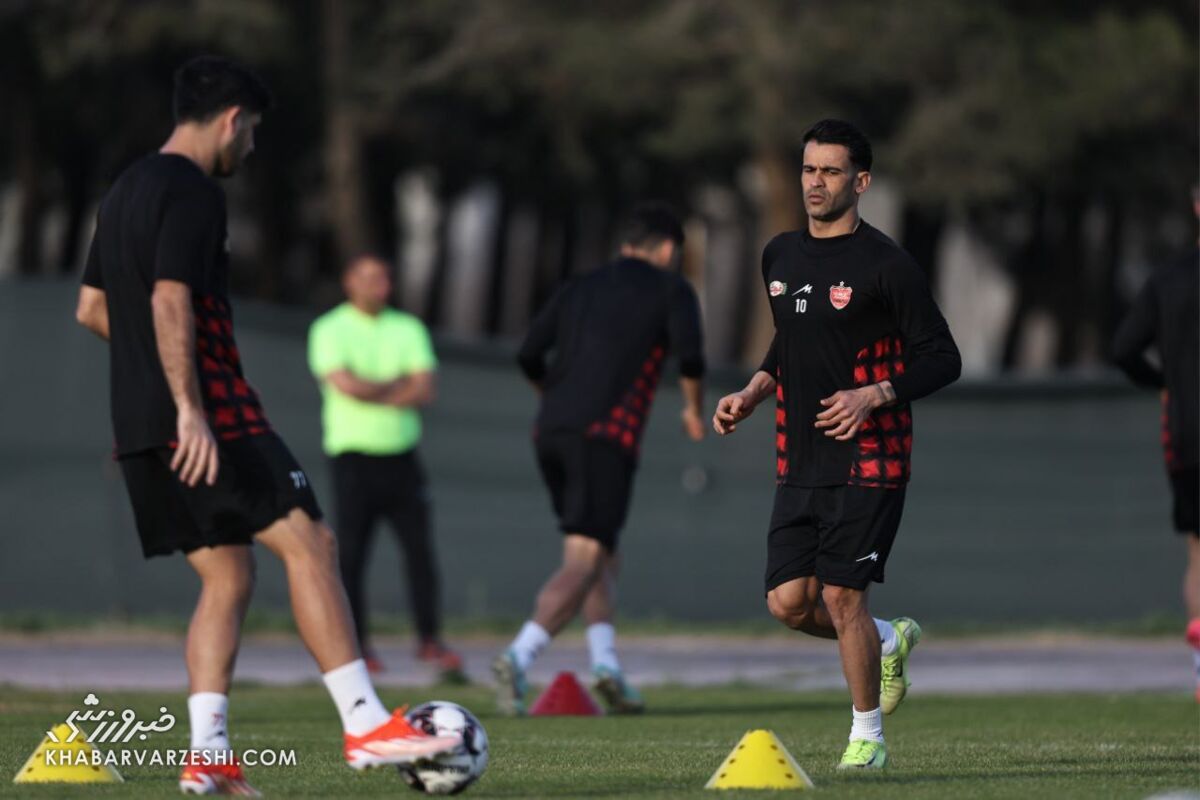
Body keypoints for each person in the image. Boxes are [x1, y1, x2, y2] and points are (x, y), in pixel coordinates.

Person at [74, 56, 458, 796]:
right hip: (209, 413)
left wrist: (157, 386)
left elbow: (91, 310)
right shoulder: (192, 190)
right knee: (313, 542)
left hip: (141, 426)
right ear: (230, 120)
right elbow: (169, 299)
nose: (250, 147)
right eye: (250, 130)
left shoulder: (123, 191)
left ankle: (209, 756)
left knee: (228, 575)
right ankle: (365, 724)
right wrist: (189, 405)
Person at [712, 119, 960, 770]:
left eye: (830, 171)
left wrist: (872, 395)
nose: (815, 183)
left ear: (861, 181)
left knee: (843, 597)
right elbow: (791, 339)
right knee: (789, 603)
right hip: (798, 456)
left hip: (871, 459)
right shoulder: (779, 255)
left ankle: (867, 739)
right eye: (808, 169)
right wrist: (753, 391)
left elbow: (943, 358)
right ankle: (888, 640)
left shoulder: (887, 265)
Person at [492, 204, 707, 715]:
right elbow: (691, 358)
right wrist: (693, 410)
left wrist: (554, 398)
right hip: (604, 438)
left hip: (550, 431)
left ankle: (607, 665)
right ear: (668, 250)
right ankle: (519, 656)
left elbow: (528, 354)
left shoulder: (578, 286)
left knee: (600, 551)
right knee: (585, 559)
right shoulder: (671, 289)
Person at [307, 254, 462, 678]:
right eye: (367, 277)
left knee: (420, 551)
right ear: (349, 282)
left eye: (383, 277)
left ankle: (429, 639)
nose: (376, 285)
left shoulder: (408, 328)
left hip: (402, 456)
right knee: (352, 555)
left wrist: (375, 388)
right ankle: (358, 646)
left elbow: (424, 389)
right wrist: (397, 384)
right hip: (352, 455)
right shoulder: (329, 329)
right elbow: (345, 385)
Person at [1112, 188, 1200, 699]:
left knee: (1197, 552)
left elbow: (1123, 348)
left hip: (1186, 431)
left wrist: (1163, 382)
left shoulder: (1169, 279)